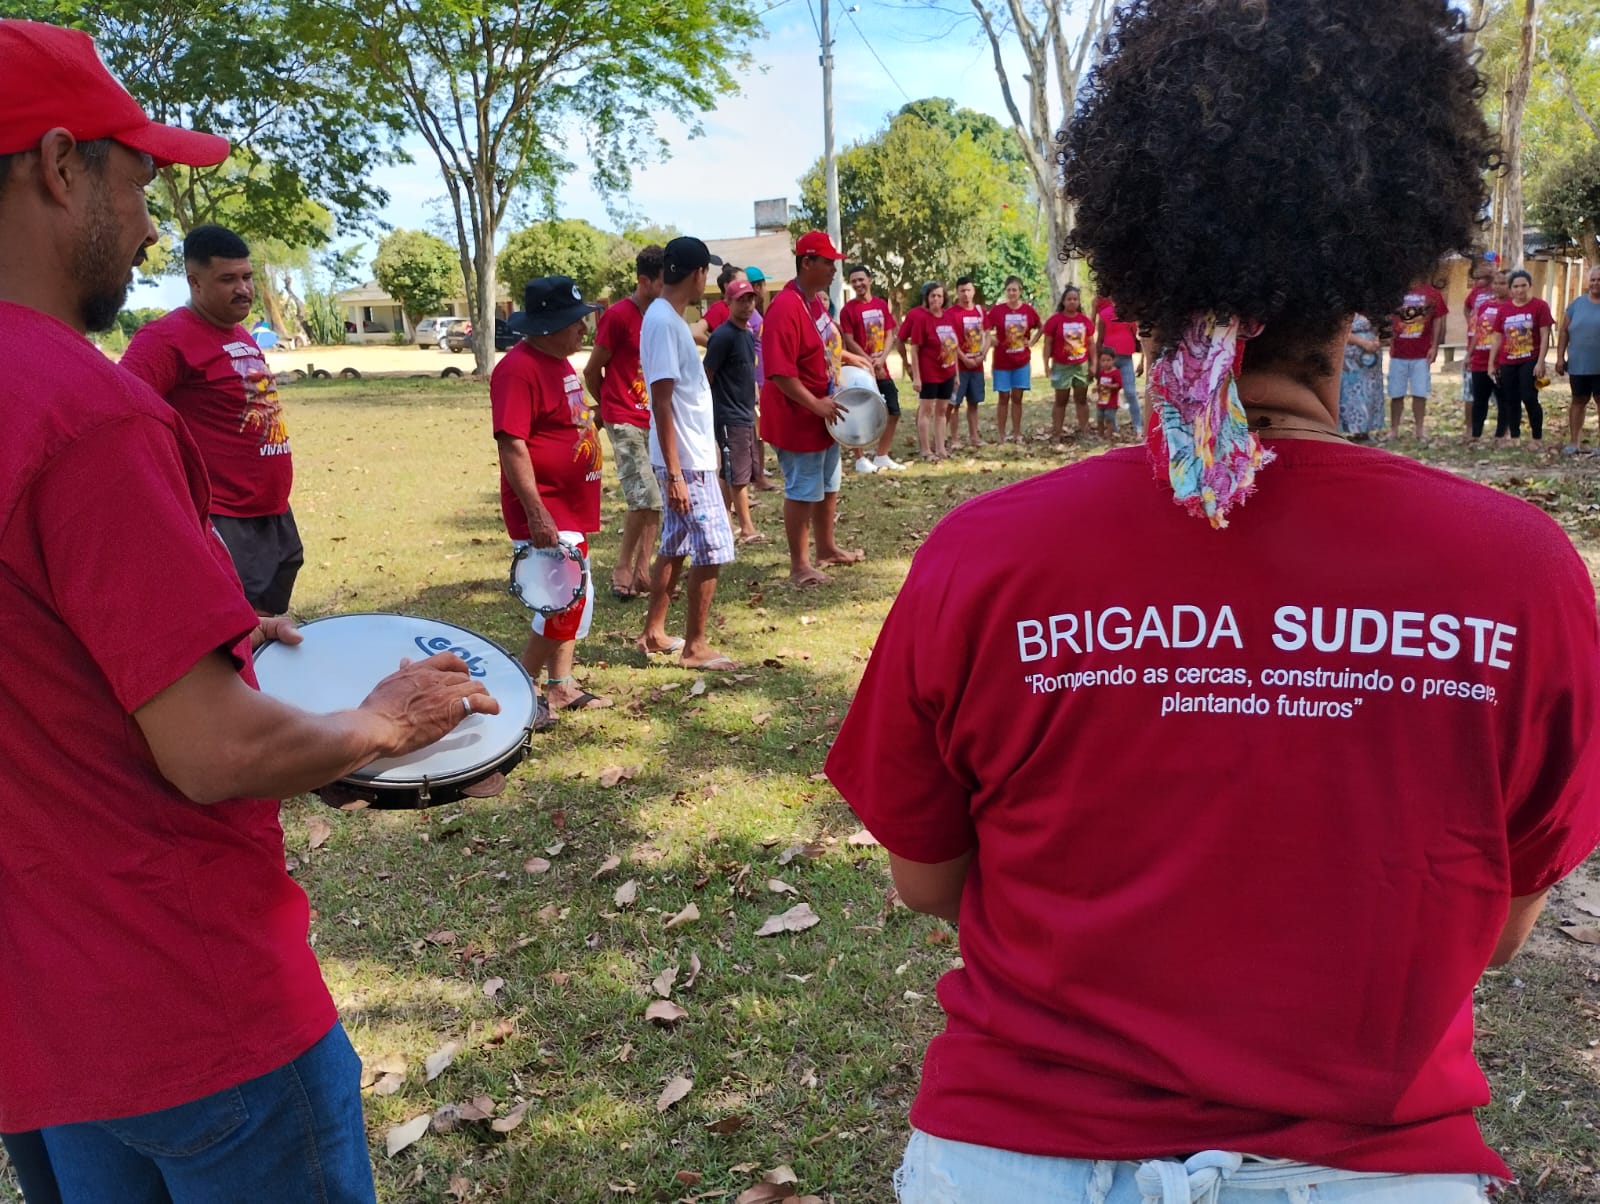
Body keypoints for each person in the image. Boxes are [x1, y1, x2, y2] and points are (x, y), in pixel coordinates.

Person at [826, 4, 1600, 1203]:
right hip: (1366, 1170)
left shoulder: (982, 556)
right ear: (1371, 276)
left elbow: (927, 883)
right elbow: (1495, 933)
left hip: (1013, 1157)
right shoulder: (1520, 570)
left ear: (1139, 267)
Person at [0, 19, 500, 1202]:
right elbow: (216, 749)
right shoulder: (88, 411)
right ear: (63, 167)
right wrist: (380, 723)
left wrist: (205, 646)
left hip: (33, 1024)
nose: (154, 220)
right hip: (187, 1010)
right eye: (142, 179)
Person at [121, 223, 300, 617]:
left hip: (272, 511)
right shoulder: (164, 339)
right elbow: (121, 414)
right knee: (235, 637)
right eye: (228, 279)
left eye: (248, 277)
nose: (244, 289)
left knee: (270, 632)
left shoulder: (241, 334)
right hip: (223, 517)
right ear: (195, 282)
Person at [493, 276, 611, 714]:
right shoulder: (517, 370)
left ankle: (561, 684)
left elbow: (563, 425)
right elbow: (511, 443)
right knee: (561, 598)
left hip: (571, 503)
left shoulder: (559, 361)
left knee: (574, 597)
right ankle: (522, 688)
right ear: (546, 326)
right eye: (575, 322)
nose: (583, 330)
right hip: (546, 507)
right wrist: (537, 513)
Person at [636, 236, 740, 668]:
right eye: (707, 274)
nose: (707, 282)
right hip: (685, 463)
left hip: (691, 455)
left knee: (676, 544)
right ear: (696, 275)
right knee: (713, 548)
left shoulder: (670, 319)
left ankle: (654, 633)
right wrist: (677, 474)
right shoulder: (662, 321)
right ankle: (696, 648)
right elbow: (661, 402)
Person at [759, 230, 865, 587]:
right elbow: (779, 372)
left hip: (824, 412)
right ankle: (800, 564)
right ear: (807, 263)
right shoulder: (785, 307)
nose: (834, 269)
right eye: (828, 262)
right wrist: (816, 404)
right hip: (798, 415)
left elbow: (827, 341)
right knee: (804, 487)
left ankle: (827, 548)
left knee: (828, 482)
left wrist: (852, 358)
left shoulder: (814, 300)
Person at [584, 244, 664, 600]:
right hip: (624, 417)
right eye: (663, 281)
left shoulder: (661, 315)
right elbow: (591, 369)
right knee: (643, 495)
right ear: (644, 281)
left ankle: (642, 570)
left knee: (655, 498)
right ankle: (622, 567)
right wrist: (607, 407)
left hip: (654, 418)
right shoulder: (618, 316)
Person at [704, 278, 764, 543]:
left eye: (750, 299)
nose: (748, 305)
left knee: (734, 471)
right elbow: (707, 375)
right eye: (741, 299)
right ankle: (747, 529)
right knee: (737, 474)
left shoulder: (748, 333)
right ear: (727, 302)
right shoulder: (722, 335)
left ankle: (722, 522)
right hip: (728, 414)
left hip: (745, 411)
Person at [839, 263, 908, 472]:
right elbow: (848, 340)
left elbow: (889, 333)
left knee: (893, 411)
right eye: (854, 281)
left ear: (870, 280)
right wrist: (866, 361)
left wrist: (883, 357)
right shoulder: (847, 310)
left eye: (861, 279)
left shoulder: (880, 304)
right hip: (860, 371)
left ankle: (881, 455)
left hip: (882, 369)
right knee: (858, 414)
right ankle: (860, 459)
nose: (858, 284)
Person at [1488, 269, 1554, 443]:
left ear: (1529, 286)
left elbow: (1545, 334)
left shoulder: (1540, 306)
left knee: (1529, 396)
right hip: (1507, 360)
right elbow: (1497, 337)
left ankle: (1536, 437)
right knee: (1510, 399)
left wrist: (1541, 362)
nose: (1520, 290)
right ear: (1511, 289)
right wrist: (1491, 364)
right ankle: (1515, 436)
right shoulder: (1504, 309)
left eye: (1523, 285)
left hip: (1530, 359)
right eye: (1516, 286)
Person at [899, 281, 959, 462]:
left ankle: (941, 448)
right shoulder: (921, 319)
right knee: (926, 411)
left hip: (947, 372)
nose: (936, 299)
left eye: (939, 296)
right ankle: (926, 450)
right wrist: (916, 376)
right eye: (933, 295)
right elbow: (915, 349)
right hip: (929, 373)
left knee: (942, 411)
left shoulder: (949, 317)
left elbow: (953, 347)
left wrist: (956, 373)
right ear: (927, 298)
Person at [1386, 274, 1448, 439]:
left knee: (1420, 392)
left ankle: (1420, 429)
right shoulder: (1395, 293)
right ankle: (1394, 429)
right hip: (1398, 353)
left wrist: (1434, 346)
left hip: (1421, 353)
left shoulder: (1432, 294)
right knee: (1396, 393)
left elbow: (1438, 319)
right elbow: (1386, 316)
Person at [985, 275, 1041, 444]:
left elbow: (1041, 326)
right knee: (1003, 398)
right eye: (1009, 290)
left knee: (1018, 398)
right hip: (1002, 362)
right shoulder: (997, 310)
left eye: (1014, 290)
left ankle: (1017, 433)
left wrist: (1031, 341)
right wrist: (992, 340)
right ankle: (1002, 435)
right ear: (1005, 291)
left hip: (1021, 361)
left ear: (1020, 291)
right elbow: (986, 328)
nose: (1011, 293)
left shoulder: (1028, 310)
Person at [744, 265, 780, 492]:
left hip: (761, 380)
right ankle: (757, 478)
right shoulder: (751, 315)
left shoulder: (756, 314)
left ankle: (757, 473)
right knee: (757, 431)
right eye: (763, 284)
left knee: (759, 430)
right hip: (754, 382)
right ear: (757, 287)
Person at [1556, 265, 1600, 450]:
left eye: (1599, 280)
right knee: (1578, 401)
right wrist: (1560, 358)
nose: (1596, 283)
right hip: (1578, 364)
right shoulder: (1576, 305)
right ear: (1588, 282)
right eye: (1593, 280)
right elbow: (1564, 331)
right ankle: (1574, 442)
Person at [1043, 285, 1094, 441]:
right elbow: (1048, 344)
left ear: (1079, 302)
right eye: (1069, 299)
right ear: (1063, 301)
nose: (1072, 302)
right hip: (1061, 366)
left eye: (1075, 299)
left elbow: (1091, 344)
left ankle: (1085, 431)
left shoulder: (1085, 321)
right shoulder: (1055, 320)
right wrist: (1046, 365)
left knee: (1082, 399)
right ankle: (1057, 433)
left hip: (1081, 365)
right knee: (1060, 400)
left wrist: (1093, 364)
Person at [1466, 270, 1510, 441]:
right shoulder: (1485, 306)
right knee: (1479, 399)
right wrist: (1469, 354)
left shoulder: (1512, 307)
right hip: (1480, 359)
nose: (1498, 287)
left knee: (1503, 399)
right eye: (1496, 283)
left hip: (1501, 361)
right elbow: (1478, 332)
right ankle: (1476, 434)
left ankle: (1501, 434)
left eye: (1503, 283)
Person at [947, 277, 988, 450]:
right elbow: (950, 341)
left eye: (969, 290)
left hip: (977, 367)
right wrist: (964, 358)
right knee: (954, 404)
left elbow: (988, 335)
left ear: (974, 291)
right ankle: (954, 438)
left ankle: (974, 436)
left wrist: (982, 355)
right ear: (957, 292)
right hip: (959, 367)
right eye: (962, 290)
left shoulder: (980, 311)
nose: (966, 294)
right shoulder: (951, 313)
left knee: (974, 403)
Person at [1096, 295, 1145, 435]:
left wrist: (1142, 361)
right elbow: (1099, 339)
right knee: (1108, 393)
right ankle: (1112, 427)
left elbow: (1140, 337)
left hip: (1126, 358)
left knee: (1130, 392)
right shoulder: (1104, 314)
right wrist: (1096, 362)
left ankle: (1138, 426)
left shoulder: (1128, 314)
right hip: (1109, 360)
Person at [1338, 313, 1386, 439]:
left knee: (1370, 390)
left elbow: (1382, 327)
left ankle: (1366, 430)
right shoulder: (1345, 307)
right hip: (1351, 356)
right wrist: (1363, 343)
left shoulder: (1372, 306)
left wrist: (1376, 340)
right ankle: (1351, 429)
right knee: (1351, 393)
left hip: (1372, 356)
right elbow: (1340, 331)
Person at [691, 262, 745, 347]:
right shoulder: (720, 308)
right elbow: (696, 332)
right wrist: (718, 350)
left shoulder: (748, 308)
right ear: (727, 286)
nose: (746, 286)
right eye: (741, 283)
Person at [1091, 347, 1121, 438]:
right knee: (1099, 418)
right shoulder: (1102, 372)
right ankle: (1100, 434)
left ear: (1113, 360)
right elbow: (1099, 384)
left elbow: (1119, 385)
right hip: (1101, 401)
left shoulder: (1116, 372)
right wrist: (1096, 388)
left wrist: (1110, 386)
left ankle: (1109, 434)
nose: (1106, 363)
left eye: (1108, 360)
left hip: (1111, 402)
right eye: (1103, 360)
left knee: (1109, 418)